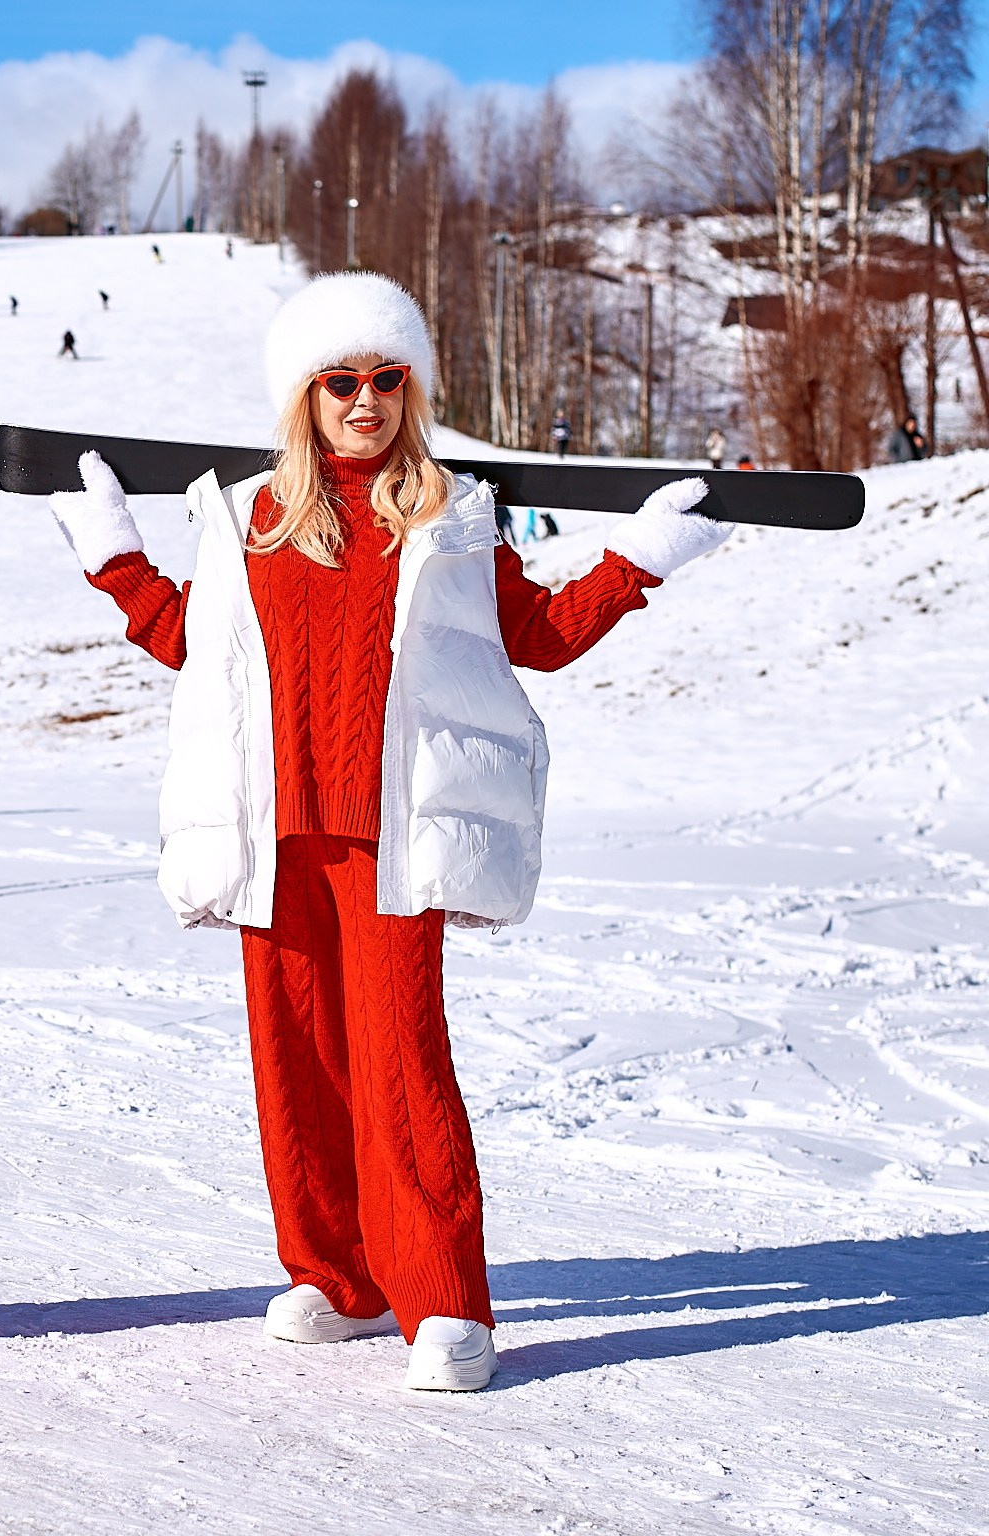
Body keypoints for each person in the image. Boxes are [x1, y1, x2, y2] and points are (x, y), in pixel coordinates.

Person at [37, 271, 730, 1393]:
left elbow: (539, 635)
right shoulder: (252, 517)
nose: (364, 400)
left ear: (409, 389)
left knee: (402, 1063)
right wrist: (112, 558)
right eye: (339, 381)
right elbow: (185, 642)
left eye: (384, 378)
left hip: (391, 836)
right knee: (293, 1062)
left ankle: (444, 1302)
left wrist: (635, 563)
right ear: (302, 399)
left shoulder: (450, 516)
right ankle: (337, 1277)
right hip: (273, 835)